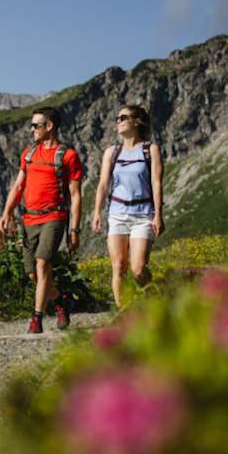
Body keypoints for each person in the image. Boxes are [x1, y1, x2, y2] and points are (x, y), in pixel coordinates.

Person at [0, 107, 83, 334]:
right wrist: (7, 212)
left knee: (43, 264)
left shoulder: (68, 156)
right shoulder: (29, 153)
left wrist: (74, 230)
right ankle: (60, 300)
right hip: (29, 218)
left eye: (36, 125)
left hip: (54, 217)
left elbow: (75, 195)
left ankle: (36, 319)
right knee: (34, 274)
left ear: (49, 126)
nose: (32, 129)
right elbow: (18, 186)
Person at [90, 104, 164, 308]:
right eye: (117, 118)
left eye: (123, 117)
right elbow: (103, 184)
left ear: (137, 121)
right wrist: (97, 212)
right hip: (117, 214)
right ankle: (123, 314)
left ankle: (157, 297)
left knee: (138, 268)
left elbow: (157, 183)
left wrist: (158, 214)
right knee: (119, 266)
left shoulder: (151, 150)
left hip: (143, 216)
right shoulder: (112, 152)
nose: (118, 121)